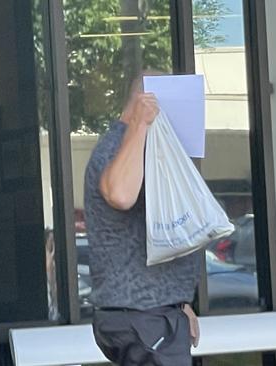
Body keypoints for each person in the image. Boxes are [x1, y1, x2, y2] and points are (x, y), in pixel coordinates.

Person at [84, 73, 201, 366]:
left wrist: (178, 304)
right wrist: (140, 124)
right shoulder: (121, 145)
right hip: (141, 316)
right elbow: (121, 194)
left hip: (153, 314)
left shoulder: (141, 147)